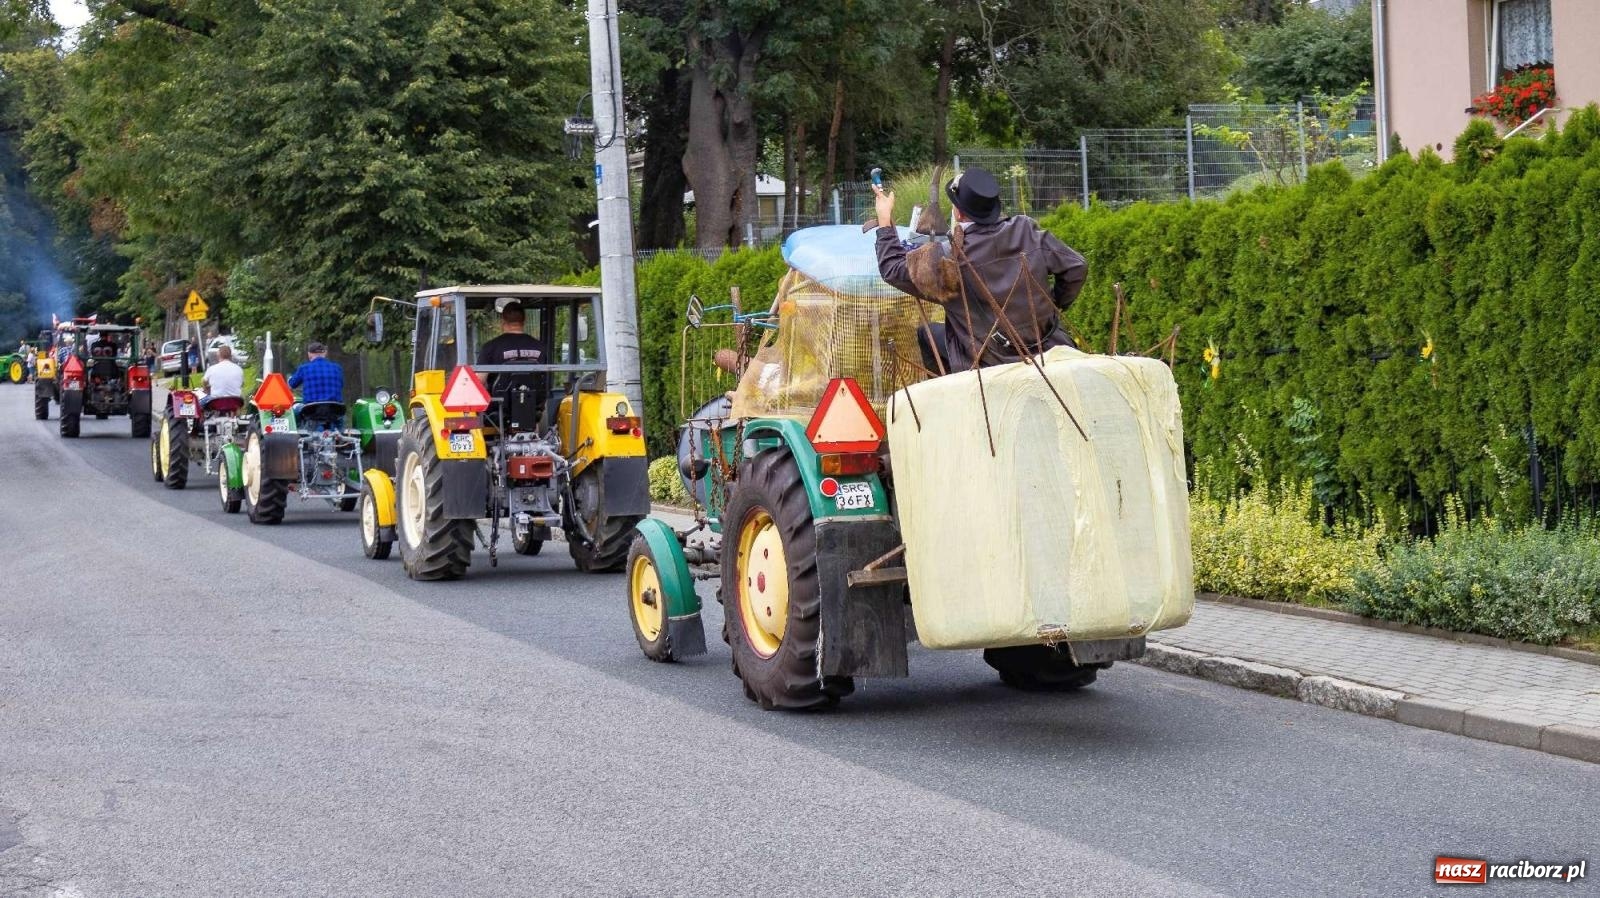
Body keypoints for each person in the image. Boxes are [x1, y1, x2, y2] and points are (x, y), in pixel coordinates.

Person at [872, 166, 1088, 373]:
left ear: (958, 213)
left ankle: (958, 392)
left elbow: (892, 268)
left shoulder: (947, 258)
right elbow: (1077, 267)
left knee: (926, 334)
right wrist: (1054, 305)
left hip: (988, 361)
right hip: (1049, 347)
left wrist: (884, 221)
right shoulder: (1027, 231)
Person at [476, 301, 547, 429]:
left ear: (503, 321)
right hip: (532, 411)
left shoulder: (490, 347)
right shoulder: (540, 347)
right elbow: (543, 381)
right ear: (524, 321)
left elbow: (479, 382)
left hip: (498, 412)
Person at [288, 340, 345, 411]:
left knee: (295, 409)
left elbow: (292, 384)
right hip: (335, 410)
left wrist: (290, 379)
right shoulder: (337, 368)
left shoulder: (304, 368)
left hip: (312, 411)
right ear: (324, 353)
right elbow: (341, 385)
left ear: (309, 354)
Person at [201, 343, 245, 412]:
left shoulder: (212, 369)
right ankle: (234, 415)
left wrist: (207, 390)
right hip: (235, 402)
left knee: (199, 404)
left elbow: (204, 381)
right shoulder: (239, 369)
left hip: (216, 402)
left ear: (218, 355)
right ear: (230, 355)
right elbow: (242, 384)